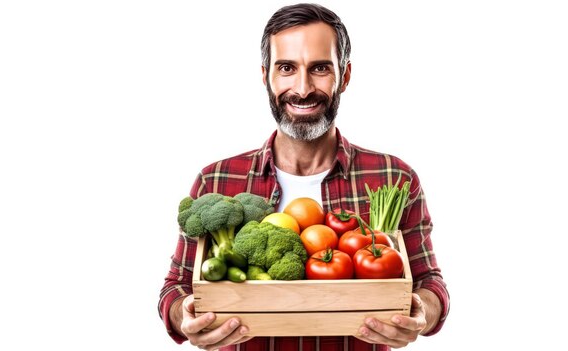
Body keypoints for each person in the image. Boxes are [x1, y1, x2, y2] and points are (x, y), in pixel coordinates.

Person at [158, 3, 449, 350]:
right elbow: (176, 287)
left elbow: (429, 282)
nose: (303, 88)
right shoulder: (217, 180)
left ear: (346, 74)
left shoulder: (393, 176)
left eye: (320, 68)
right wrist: (184, 314)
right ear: (266, 75)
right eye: (286, 68)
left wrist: (422, 313)